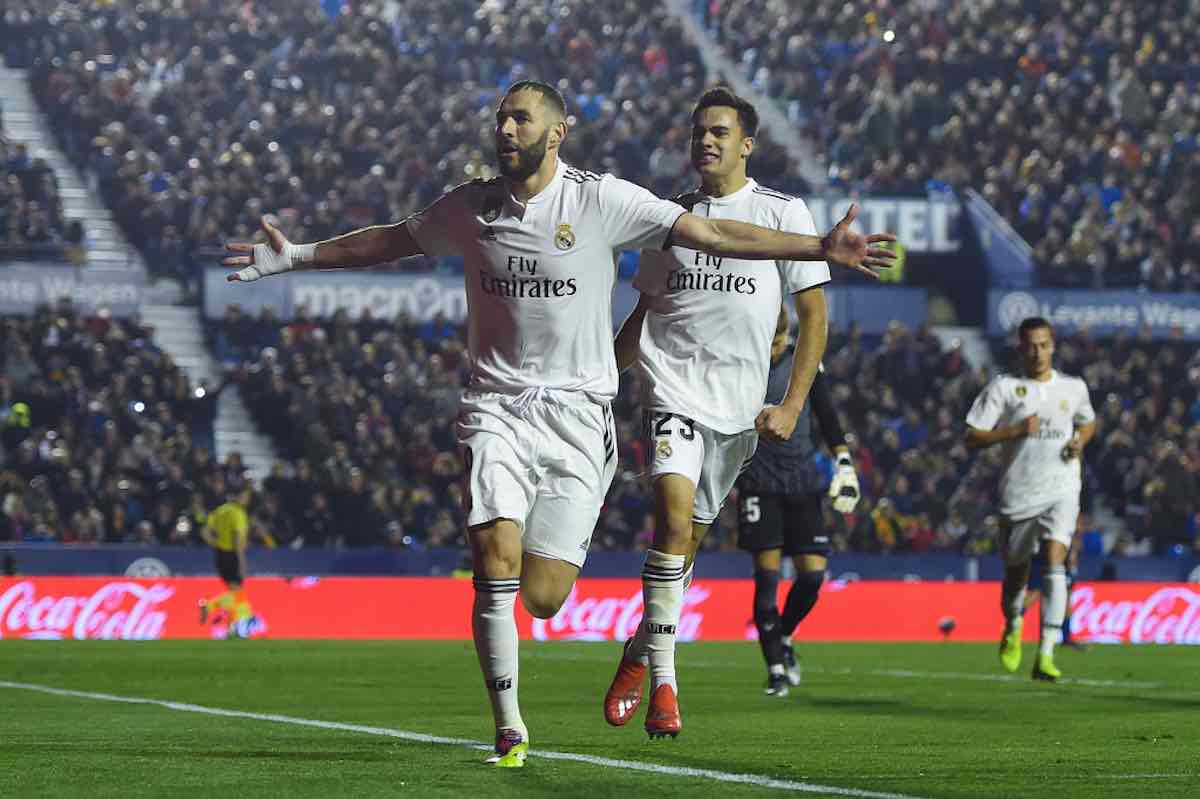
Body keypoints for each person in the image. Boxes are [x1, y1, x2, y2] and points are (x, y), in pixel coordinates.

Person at [223, 80, 895, 765]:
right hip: (498, 406)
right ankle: (510, 726)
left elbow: (715, 232)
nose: (505, 129)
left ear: (557, 131)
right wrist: (298, 254)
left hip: (583, 416)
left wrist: (816, 247)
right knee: (498, 553)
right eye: (500, 119)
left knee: (543, 597)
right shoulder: (472, 206)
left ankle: (640, 646)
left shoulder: (601, 199)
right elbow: (391, 241)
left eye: (520, 118)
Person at [602, 87, 852, 736]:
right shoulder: (669, 218)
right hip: (671, 393)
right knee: (672, 522)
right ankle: (664, 686)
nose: (705, 141)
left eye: (718, 131)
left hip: (739, 414)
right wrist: (597, 376)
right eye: (697, 132)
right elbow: (643, 313)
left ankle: (638, 647)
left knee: (685, 548)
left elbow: (814, 319)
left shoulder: (783, 213)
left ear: (747, 143)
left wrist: (793, 402)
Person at [965, 317, 1096, 681]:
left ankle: (1048, 652)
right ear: (1021, 348)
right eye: (1031, 346)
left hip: (1063, 488)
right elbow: (972, 437)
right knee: (1016, 576)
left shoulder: (1074, 388)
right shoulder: (1005, 389)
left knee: (1057, 561)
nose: (1038, 352)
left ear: (1053, 346)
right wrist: (1015, 430)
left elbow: (1088, 421)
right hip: (1019, 492)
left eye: (1044, 344)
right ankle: (1013, 623)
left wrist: (1080, 441)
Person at [737, 311, 860, 697]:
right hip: (759, 482)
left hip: (803, 479)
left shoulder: (802, 361)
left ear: (787, 334)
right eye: (770, 341)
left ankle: (784, 635)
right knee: (767, 580)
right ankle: (775, 667)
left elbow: (826, 413)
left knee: (812, 577)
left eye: (779, 340)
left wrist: (843, 461)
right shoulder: (742, 363)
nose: (775, 348)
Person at [198, 484, 263, 638]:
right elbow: (239, 540)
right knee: (237, 593)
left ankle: (234, 626)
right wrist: (242, 562)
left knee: (235, 593)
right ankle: (211, 607)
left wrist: (217, 544)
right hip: (233, 555)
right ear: (239, 496)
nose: (247, 500)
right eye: (245, 496)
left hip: (220, 555)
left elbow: (204, 532)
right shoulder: (238, 513)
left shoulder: (220, 510)